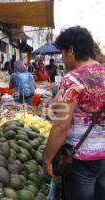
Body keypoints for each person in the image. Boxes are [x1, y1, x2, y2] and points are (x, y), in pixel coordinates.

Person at [43, 26, 105, 200]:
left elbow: (61, 126)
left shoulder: (72, 79)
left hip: (81, 160)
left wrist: (47, 159)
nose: (62, 58)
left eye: (62, 52)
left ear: (71, 50)